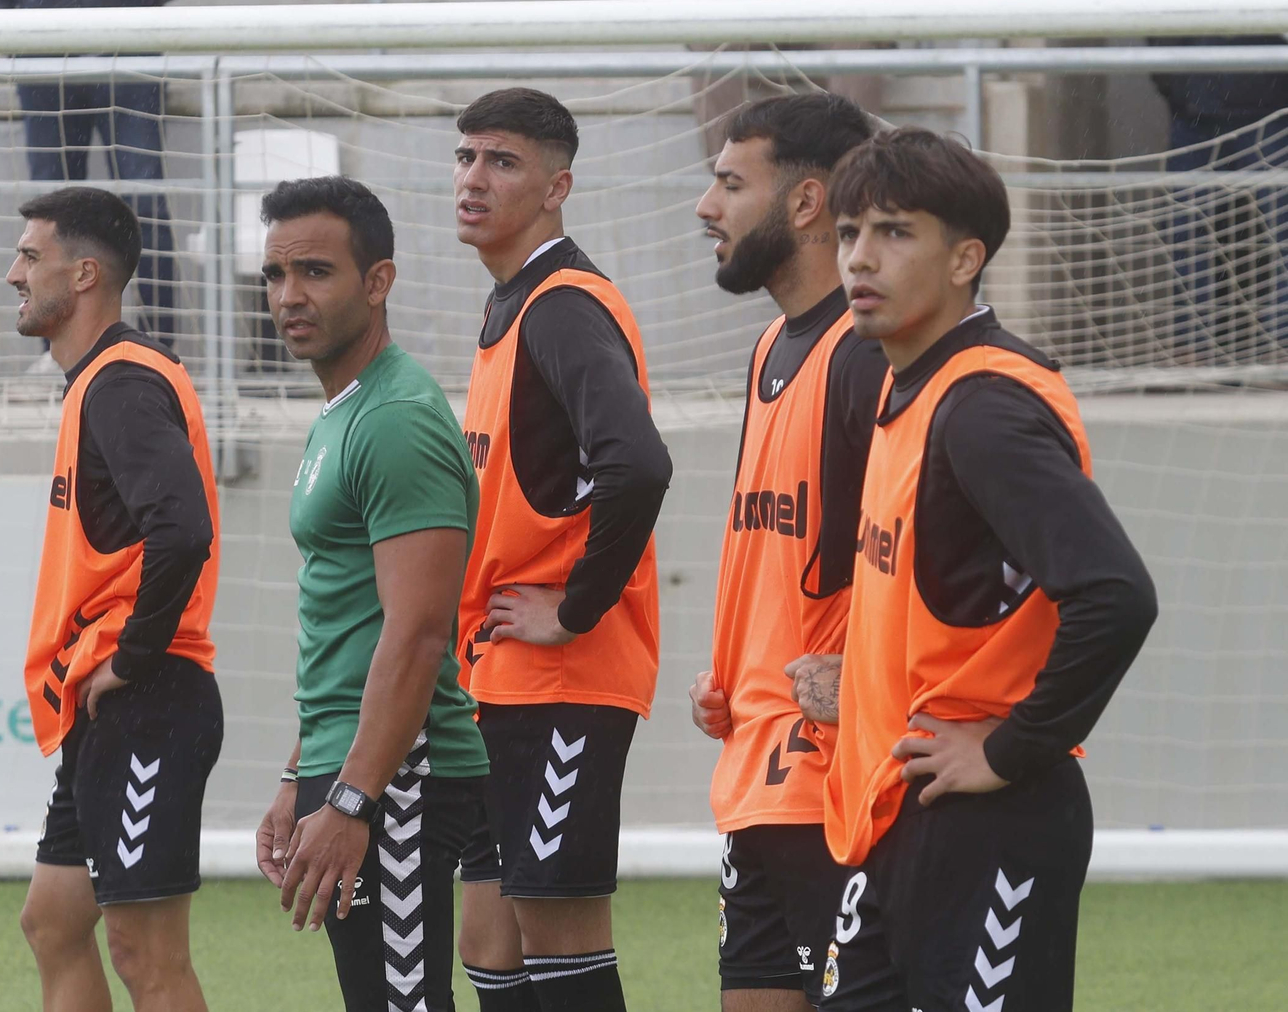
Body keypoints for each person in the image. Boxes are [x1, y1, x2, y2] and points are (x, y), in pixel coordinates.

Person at [818, 128, 1159, 1011]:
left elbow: (1116, 595)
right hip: (899, 812)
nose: (860, 257)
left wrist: (1009, 750)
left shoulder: (983, 407)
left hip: (988, 821)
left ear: (966, 258)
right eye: (850, 232)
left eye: (895, 232)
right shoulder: (905, 386)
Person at [450, 87, 673, 1012]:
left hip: (564, 679)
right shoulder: (511, 304)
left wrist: (575, 607)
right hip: (501, 674)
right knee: (489, 938)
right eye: (466, 156)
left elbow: (639, 466)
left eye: (502, 161)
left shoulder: (563, 306)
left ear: (557, 188)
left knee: (557, 938)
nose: (473, 178)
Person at [251, 176, 489, 1012]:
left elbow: (418, 633)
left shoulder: (395, 418)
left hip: (401, 771)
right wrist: (300, 773)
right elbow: (347, 619)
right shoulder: (343, 413)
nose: (289, 296)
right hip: (353, 761)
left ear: (378, 281)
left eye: (315, 271)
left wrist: (353, 796)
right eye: (275, 275)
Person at [685, 93, 885, 1011]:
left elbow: (916, 556)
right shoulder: (772, 343)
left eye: (731, 184)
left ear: (807, 203)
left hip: (831, 776)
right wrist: (733, 669)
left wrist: (866, 677)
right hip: (754, 761)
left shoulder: (866, 355)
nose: (707, 207)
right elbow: (780, 543)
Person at [11, 186, 223, 1012]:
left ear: (85, 275)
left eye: (31, 256)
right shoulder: (99, 381)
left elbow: (184, 531)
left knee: (145, 954)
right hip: (112, 704)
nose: (13, 274)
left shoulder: (122, 383)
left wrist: (132, 657)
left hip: (149, 698)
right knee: (54, 923)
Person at [0, 0, 205, 369]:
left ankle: (158, 350)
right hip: (44, 60)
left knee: (145, 204)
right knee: (50, 219)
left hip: (128, 53)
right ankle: (56, 353)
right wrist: (14, 34)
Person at [1139, 0, 1288, 360]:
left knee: (1280, 226)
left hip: (1266, 103)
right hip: (1193, 102)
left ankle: (1281, 346)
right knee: (1186, 225)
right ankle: (1194, 346)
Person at [692, 0, 885, 160]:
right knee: (711, 41)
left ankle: (855, 166)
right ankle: (728, 167)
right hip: (755, 24)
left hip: (831, 24)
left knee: (855, 43)